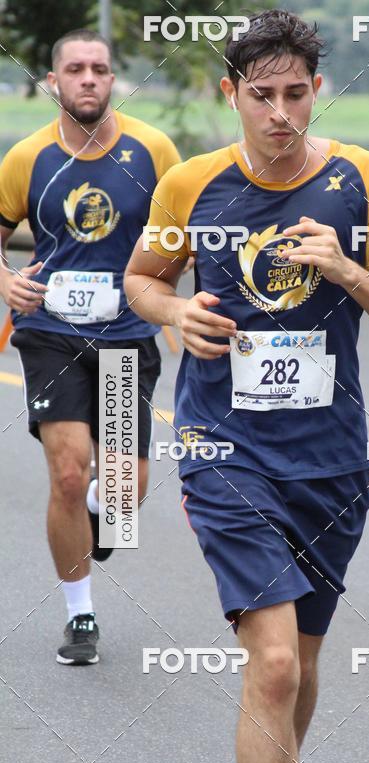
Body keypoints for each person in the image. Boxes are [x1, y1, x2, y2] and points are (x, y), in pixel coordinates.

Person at [124, 9, 369, 763]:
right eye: (261, 95)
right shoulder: (191, 185)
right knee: (270, 664)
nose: (280, 114)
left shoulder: (360, 180)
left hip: (332, 463)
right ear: (232, 94)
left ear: (317, 92)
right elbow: (142, 277)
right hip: (224, 450)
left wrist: (346, 270)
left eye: (296, 94)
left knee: (299, 667)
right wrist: (173, 311)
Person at [0, 29, 180, 665]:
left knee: (124, 495)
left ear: (112, 80)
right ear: (53, 82)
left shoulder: (153, 150)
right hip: (50, 335)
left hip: (128, 335)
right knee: (69, 470)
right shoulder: (27, 158)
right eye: (74, 69)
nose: (87, 79)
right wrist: (6, 279)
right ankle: (80, 616)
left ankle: (107, 513)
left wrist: (172, 300)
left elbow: (179, 235)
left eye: (99, 69)